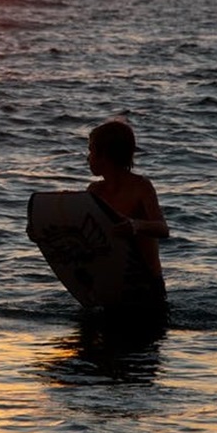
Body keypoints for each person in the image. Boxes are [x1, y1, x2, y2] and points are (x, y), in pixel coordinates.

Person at [86, 118, 170, 312]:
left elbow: (163, 229)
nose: (87, 158)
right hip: (108, 283)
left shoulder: (141, 187)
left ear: (105, 155)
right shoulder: (94, 191)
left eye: (91, 150)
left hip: (146, 285)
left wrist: (136, 225)